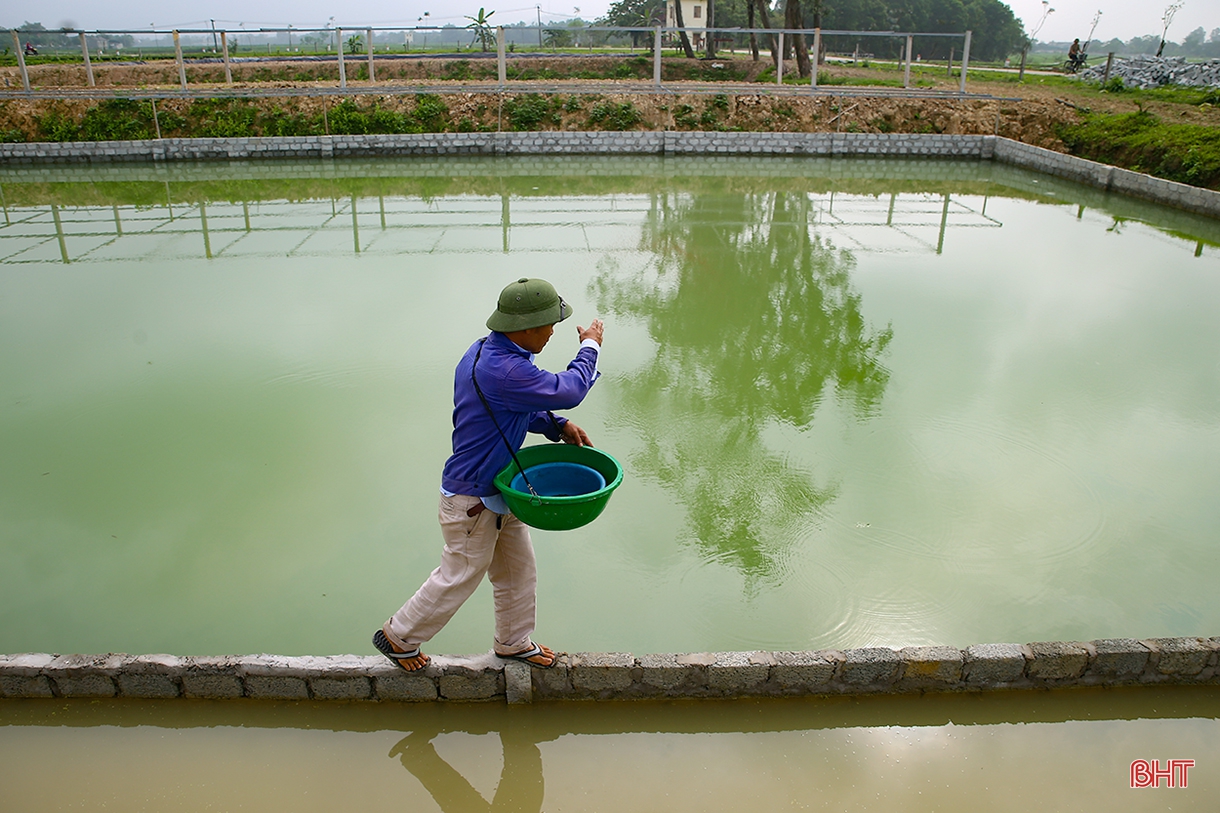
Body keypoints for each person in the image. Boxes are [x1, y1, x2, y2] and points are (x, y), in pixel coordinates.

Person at [374, 277, 604, 671]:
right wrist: (591, 345)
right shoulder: (505, 369)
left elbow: (515, 405)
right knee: (461, 572)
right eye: (549, 325)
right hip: (472, 499)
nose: (552, 332)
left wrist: (556, 425)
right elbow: (569, 388)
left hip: (502, 488)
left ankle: (513, 643)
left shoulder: (490, 353)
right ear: (526, 327)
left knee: (518, 570)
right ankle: (398, 636)